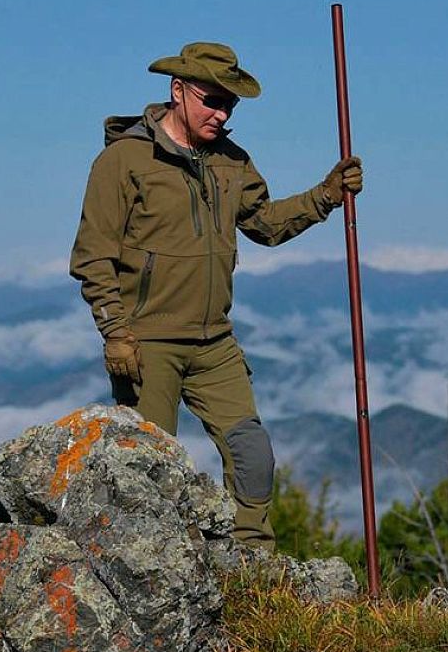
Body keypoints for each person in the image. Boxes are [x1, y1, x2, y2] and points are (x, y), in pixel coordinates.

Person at [69, 41, 362, 550]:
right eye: (212, 100)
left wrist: (325, 196)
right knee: (147, 471)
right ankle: (150, 569)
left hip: (214, 342)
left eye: (230, 104)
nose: (221, 113)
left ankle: (253, 564)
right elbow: (93, 255)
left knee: (253, 453)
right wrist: (116, 333)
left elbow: (265, 225)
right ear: (178, 92)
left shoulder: (231, 161)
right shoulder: (123, 161)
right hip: (147, 342)